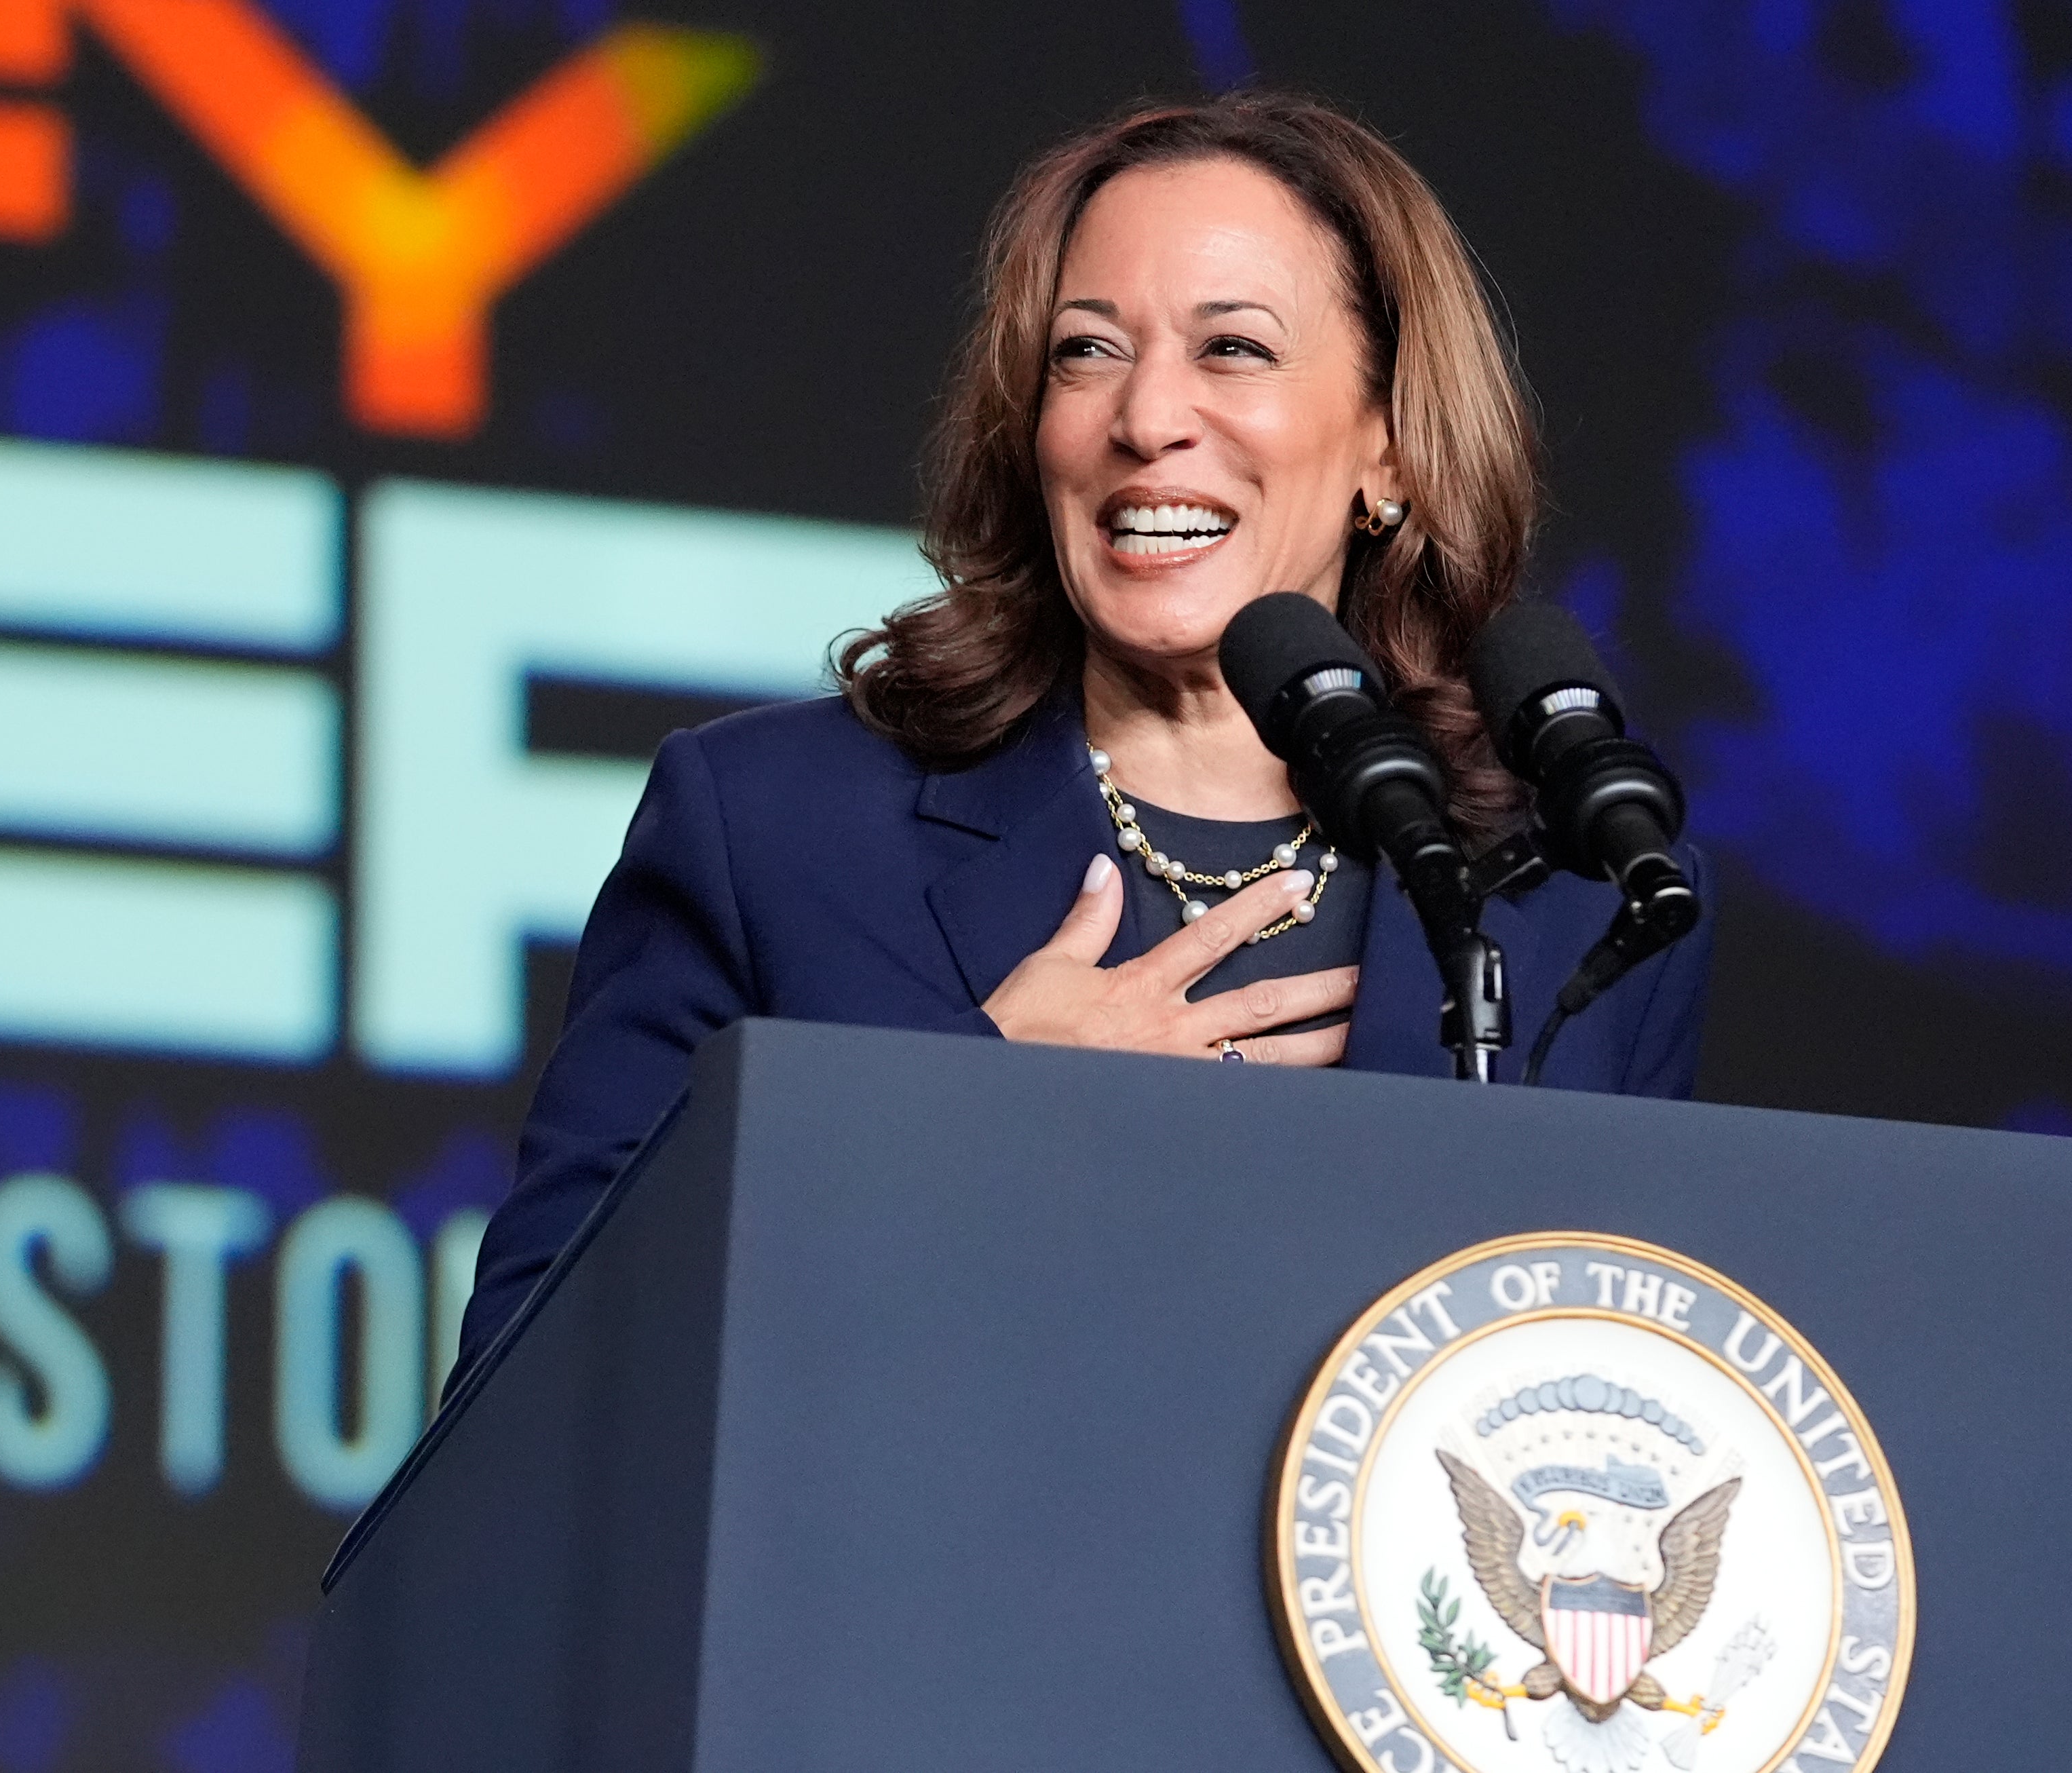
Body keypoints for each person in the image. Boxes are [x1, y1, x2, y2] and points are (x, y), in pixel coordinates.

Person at [454, 92, 1714, 1379]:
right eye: (1086, 351)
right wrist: (962, 1116)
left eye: (1233, 349)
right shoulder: (772, 831)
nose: (1145, 417)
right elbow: (534, 1371)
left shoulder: (1573, 904)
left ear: (1387, 447)